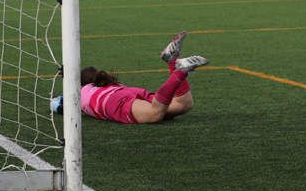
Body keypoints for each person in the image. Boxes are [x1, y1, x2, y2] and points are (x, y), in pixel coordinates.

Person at [71, 32, 207, 124]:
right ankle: (172, 61)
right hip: (127, 92)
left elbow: (58, 104)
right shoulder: (107, 84)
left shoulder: (80, 93)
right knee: (183, 105)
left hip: (112, 102)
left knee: (155, 113)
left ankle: (180, 71)